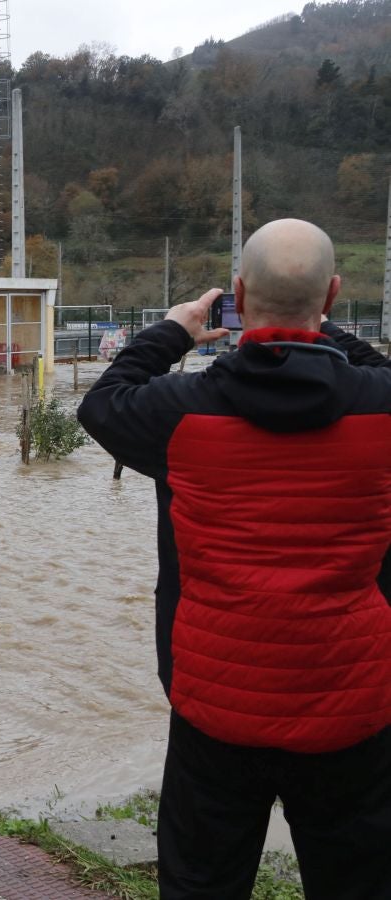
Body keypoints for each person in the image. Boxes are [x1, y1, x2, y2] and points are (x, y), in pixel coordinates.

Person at [77, 218, 391, 900]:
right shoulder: (380, 408)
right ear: (332, 294)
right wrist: (322, 329)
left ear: (239, 299)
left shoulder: (182, 411)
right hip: (352, 703)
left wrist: (173, 331)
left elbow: (101, 403)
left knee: (202, 884)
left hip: (214, 704)